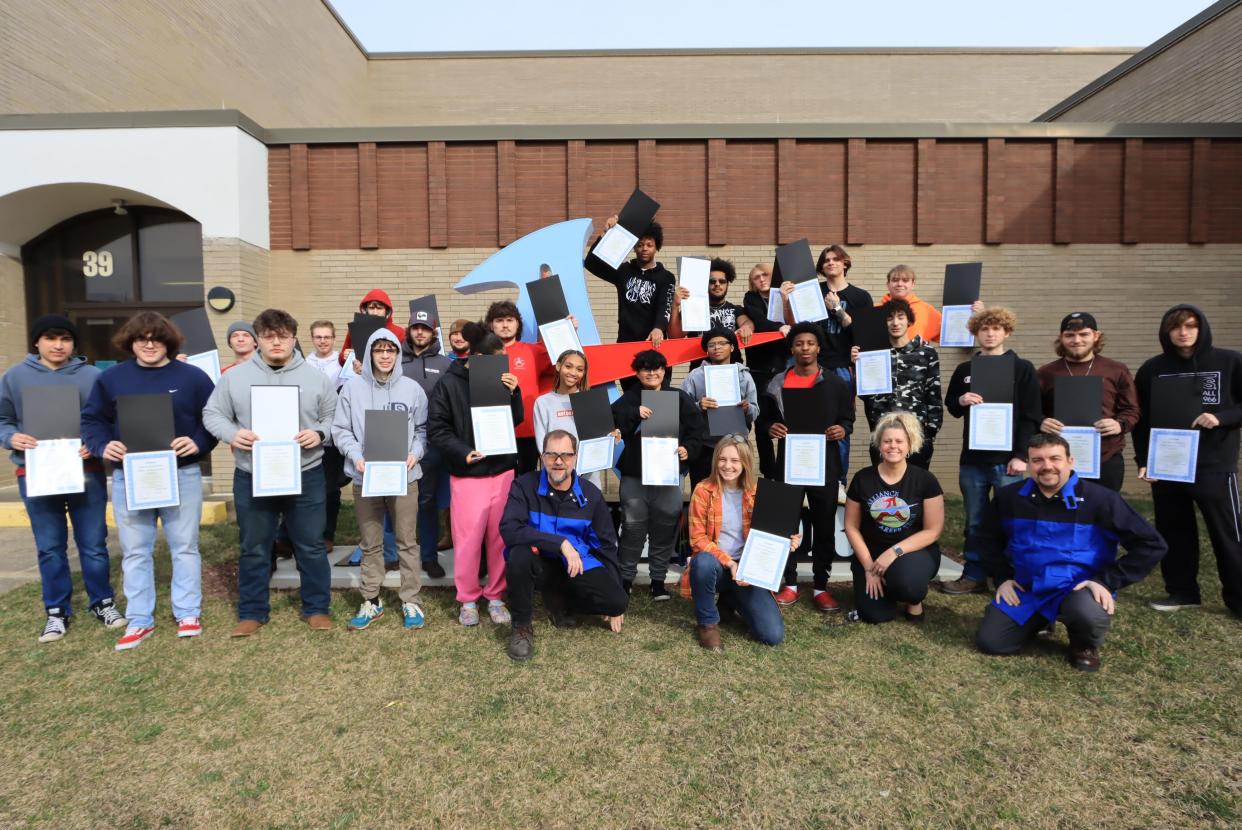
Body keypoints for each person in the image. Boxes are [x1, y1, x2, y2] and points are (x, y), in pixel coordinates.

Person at [81, 311, 218, 650]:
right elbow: (92, 420)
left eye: (156, 338)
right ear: (131, 342)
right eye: (141, 338)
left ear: (168, 341)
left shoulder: (193, 377)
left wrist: (198, 442)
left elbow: (214, 419)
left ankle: (187, 612)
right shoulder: (111, 379)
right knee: (135, 550)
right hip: (132, 475)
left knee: (184, 546)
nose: (149, 344)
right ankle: (140, 619)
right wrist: (101, 445)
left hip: (181, 473)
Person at [974, 434, 1167, 671]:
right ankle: (1039, 620)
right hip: (1029, 588)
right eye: (1038, 460)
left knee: (1086, 614)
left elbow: (1151, 544)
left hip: (1077, 589)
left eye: (1055, 458)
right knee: (992, 642)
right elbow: (986, 539)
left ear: (1070, 461)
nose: (1047, 466)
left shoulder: (1101, 499)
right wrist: (1002, 578)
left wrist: (1106, 582)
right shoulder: (1009, 498)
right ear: (1029, 464)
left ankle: (1083, 642)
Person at [203, 309, 338, 637]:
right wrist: (232, 434)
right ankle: (252, 611)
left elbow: (335, 417)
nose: (276, 342)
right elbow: (212, 413)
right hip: (253, 473)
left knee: (310, 544)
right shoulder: (235, 377)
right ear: (257, 339)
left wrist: (319, 433)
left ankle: (317, 607)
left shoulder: (315, 378)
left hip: (305, 472)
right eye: (268, 336)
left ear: (294, 338)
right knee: (254, 545)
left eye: (283, 336)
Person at [0, 315, 125, 643]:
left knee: (94, 544)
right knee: (50, 546)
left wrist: (94, 446)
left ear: (73, 343)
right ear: (37, 342)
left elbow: (109, 419)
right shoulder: (15, 377)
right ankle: (56, 611)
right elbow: (4, 419)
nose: (58, 345)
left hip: (87, 473)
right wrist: (11, 437)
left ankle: (103, 602)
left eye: (65, 339)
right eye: (51, 338)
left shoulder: (93, 377)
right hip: (37, 473)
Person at [1134, 305, 1242, 616]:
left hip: (1214, 464)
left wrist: (1222, 417)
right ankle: (1182, 592)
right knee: (1174, 530)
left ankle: (1238, 599)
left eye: (1191, 326)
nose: (1184, 332)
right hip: (1167, 464)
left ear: (1201, 328)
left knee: (1228, 533)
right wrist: (1145, 460)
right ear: (1166, 332)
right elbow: (1143, 421)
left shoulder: (1230, 362)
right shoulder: (1152, 369)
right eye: (1176, 327)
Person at [500, 430, 629, 661]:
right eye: (552, 455)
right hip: (539, 562)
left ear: (575, 458)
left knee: (617, 601)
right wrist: (560, 543)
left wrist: (615, 590)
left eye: (566, 455)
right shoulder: (523, 486)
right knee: (519, 554)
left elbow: (607, 545)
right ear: (542, 456)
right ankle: (522, 627)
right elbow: (510, 530)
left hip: (576, 564)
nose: (559, 462)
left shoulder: (591, 494)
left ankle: (560, 599)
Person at [426, 322, 523, 627]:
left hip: (502, 471)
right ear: (477, 357)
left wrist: (515, 393)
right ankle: (468, 598)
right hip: (468, 474)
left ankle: (495, 596)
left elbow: (515, 421)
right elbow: (438, 428)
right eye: (497, 358)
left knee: (499, 539)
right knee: (467, 540)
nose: (502, 363)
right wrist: (461, 451)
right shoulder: (448, 384)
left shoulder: (502, 382)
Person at [940, 306, 1042, 595]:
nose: (990, 333)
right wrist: (961, 400)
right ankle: (973, 574)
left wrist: (1021, 456)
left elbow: (1031, 415)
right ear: (975, 332)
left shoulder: (1022, 369)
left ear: (1006, 332)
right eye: (984, 328)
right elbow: (951, 407)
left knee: (1011, 520)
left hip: (1010, 462)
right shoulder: (965, 370)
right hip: (973, 460)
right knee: (975, 520)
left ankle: (1007, 576)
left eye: (996, 328)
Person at [332, 329, 429, 631]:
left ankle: (410, 599)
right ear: (370, 354)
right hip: (366, 477)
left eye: (391, 350)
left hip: (405, 476)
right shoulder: (352, 390)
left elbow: (423, 430)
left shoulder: (412, 389)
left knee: (407, 542)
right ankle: (371, 599)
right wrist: (354, 455)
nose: (385, 355)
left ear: (398, 354)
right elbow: (340, 429)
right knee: (370, 542)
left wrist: (415, 453)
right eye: (379, 350)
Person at [755, 322, 854, 611]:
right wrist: (770, 427)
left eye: (810, 343)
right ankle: (789, 584)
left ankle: (821, 586)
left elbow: (848, 418)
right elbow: (763, 420)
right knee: (784, 524)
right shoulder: (777, 382)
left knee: (824, 525)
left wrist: (842, 429)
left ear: (819, 347)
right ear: (792, 348)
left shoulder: (835, 383)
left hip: (823, 465)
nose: (805, 348)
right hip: (789, 464)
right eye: (799, 343)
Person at [611, 349, 704, 599]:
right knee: (632, 528)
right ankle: (625, 579)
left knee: (664, 528)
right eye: (645, 369)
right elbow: (613, 421)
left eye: (656, 368)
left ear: (664, 371)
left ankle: (658, 582)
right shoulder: (629, 399)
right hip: (635, 475)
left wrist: (688, 449)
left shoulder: (679, 398)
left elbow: (697, 431)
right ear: (637, 373)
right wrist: (634, 414)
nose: (651, 373)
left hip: (669, 474)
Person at [779, 244, 870, 496]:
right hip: (810, 368)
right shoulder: (812, 291)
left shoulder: (860, 296)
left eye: (835, 259)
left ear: (845, 264)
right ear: (821, 267)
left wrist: (838, 309)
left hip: (841, 368)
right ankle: (799, 479)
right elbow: (796, 326)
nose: (830, 263)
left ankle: (838, 481)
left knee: (838, 426)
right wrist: (787, 301)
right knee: (800, 422)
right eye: (826, 260)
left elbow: (863, 334)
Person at [687, 438, 793, 651]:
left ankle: (730, 599)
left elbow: (771, 536)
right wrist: (730, 563)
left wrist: (787, 541)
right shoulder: (703, 490)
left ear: (745, 462)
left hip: (746, 569)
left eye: (735, 460)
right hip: (716, 565)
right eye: (723, 459)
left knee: (772, 635)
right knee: (703, 563)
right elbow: (698, 539)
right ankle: (708, 623)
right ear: (716, 460)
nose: (728, 465)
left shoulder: (760, 493)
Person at [843, 412, 944, 624]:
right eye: (887, 441)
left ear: (909, 445)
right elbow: (851, 526)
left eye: (899, 441)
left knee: (907, 584)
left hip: (914, 551)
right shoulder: (863, 478)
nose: (893, 446)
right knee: (875, 615)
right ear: (879, 445)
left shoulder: (925, 480)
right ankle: (886, 588)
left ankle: (913, 600)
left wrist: (893, 552)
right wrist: (870, 568)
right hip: (871, 553)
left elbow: (933, 530)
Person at [1037, 311, 1139, 493]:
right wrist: (1041, 421)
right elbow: (1032, 410)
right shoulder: (1046, 373)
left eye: (1083, 334)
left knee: (1104, 515)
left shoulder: (1116, 370)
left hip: (1106, 457)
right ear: (1061, 338)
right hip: (1058, 460)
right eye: (1070, 335)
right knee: (1061, 514)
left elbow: (1132, 409)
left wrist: (1119, 424)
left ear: (1096, 336)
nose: (1077, 340)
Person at [851, 298, 942, 468]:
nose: (895, 322)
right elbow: (866, 397)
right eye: (889, 318)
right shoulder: (873, 353)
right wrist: (859, 367)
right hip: (883, 435)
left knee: (914, 489)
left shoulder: (926, 353)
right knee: (884, 490)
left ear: (909, 321)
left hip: (916, 435)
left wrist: (930, 434)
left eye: (900, 317)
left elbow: (934, 394)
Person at [584, 217, 675, 379]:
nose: (644, 249)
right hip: (626, 345)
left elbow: (665, 304)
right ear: (634, 247)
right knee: (631, 396)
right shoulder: (624, 271)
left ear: (656, 247)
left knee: (658, 398)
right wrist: (606, 234)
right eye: (640, 245)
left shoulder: (666, 277)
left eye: (649, 245)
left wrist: (659, 327)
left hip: (654, 344)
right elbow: (591, 263)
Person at [402, 305, 453, 579]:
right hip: (397, 442)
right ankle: (394, 555)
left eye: (425, 328)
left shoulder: (445, 364)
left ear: (433, 333)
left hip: (431, 444)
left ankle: (429, 556)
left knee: (428, 501)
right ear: (409, 331)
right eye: (415, 327)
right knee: (395, 502)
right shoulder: (395, 359)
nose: (420, 332)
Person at [679, 328, 760, 489]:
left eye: (722, 343)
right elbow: (681, 411)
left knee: (736, 492)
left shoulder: (744, 375)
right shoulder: (695, 376)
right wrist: (698, 406)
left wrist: (746, 408)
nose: (717, 348)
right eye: (712, 345)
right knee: (703, 492)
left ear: (732, 347)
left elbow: (755, 412)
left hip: (736, 446)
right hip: (704, 447)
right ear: (706, 350)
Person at [486, 300, 553, 474]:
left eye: (510, 320)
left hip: (527, 432)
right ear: (491, 325)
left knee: (526, 483)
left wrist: (568, 331)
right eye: (499, 320)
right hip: (494, 432)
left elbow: (564, 361)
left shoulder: (534, 351)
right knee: (500, 487)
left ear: (518, 324)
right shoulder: (482, 354)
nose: (505, 325)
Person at [740, 263, 790, 479]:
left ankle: (785, 471)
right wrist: (778, 327)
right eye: (756, 277)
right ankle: (768, 472)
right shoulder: (750, 299)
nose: (761, 279)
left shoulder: (784, 295)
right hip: (759, 370)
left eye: (765, 275)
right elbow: (758, 322)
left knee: (785, 421)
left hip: (783, 368)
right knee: (763, 423)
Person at [304, 319, 345, 552]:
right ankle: (304, 535)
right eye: (318, 337)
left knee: (330, 488)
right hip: (307, 434)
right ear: (312, 338)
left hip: (331, 436)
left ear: (333, 338)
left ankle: (328, 534)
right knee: (307, 489)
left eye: (327, 337)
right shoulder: (302, 363)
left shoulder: (343, 364)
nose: (322, 341)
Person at [668, 257, 755, 344]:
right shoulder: (693, 308)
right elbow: (674, 336)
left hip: (731, 357)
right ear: (705, 283)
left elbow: (747, 322)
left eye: (722, 281)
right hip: (700, 357)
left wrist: (746, 327)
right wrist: (675, 305)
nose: (717, 284)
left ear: (727, 284)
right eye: (712, 281)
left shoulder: (736, 309)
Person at [336, 288, 407, 369]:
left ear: (387, 311)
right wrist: (344, 356)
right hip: (360, 377)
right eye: (371, 308)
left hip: (388, 378)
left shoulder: (399, 332)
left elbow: (405, 362)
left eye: (379, 308)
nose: (375, 312)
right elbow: (342, 360)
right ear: (366, 310)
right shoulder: (357, 329)